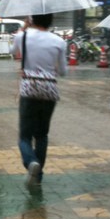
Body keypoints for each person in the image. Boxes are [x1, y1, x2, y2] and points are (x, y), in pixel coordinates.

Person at [11, 14, 67, 189]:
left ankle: (31, 162)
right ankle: (38, 175)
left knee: (24, 135)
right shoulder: (59, 42)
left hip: (29, 86)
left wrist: (23, 29)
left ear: (32, 20)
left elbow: (13, 53)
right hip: (49, 89)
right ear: (51, 21)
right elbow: (63, 71)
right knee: (42, 135)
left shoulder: (23, 35)